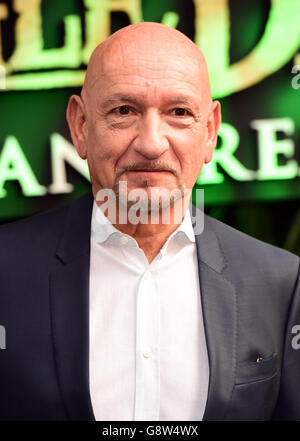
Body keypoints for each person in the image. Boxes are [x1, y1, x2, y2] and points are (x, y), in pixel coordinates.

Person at [0, 22, 299, 421]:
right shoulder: (5, 270)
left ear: (209, 131)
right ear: (81, 126)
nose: (151, 143)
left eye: (178, 112)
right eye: (124, 111)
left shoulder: (280, 282)